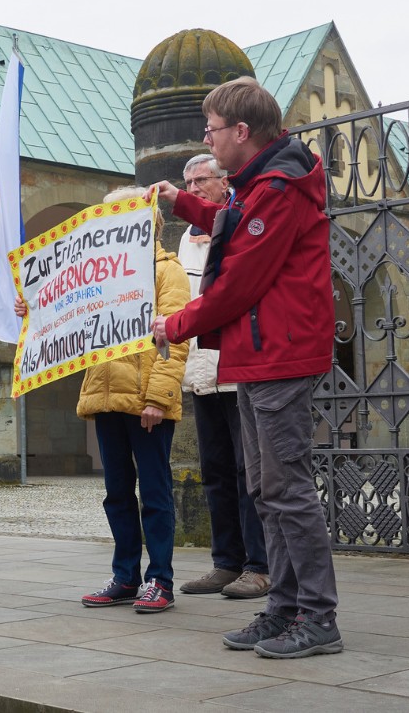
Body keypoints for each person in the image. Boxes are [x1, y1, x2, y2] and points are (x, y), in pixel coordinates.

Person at [148, 76, 340, 659]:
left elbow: (240, 282)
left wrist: (173, 325)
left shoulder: (279, 187)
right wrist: (182, 203)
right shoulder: (256, 185)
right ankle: (283, 608)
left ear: (240, 132)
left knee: (287, 490)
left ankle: (318, 618)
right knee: (265, 488)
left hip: (281, 353)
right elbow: (232, 228)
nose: (204, 137)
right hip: (259, 356)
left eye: (210, 128)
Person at [16, 187, 190, 614]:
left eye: (120, 211)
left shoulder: (167, 272)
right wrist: (34, 309)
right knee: (116, 493)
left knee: (154, 492)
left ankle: (160, 580)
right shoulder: (100, 271)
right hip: (106, 396)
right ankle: (126, 575)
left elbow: (178, 339)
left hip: (147, 401)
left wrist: (158, 398)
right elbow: (67, 313)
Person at [176, 154, 269, 600]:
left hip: (235, 369)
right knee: (214, 470)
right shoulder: (183, 239)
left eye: (201, 180)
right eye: (188, 181)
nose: (193, 187)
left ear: (224, 181)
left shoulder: (236, 222)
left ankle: (259, 565)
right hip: (200, 373)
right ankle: (225, 562)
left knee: (247, 469)